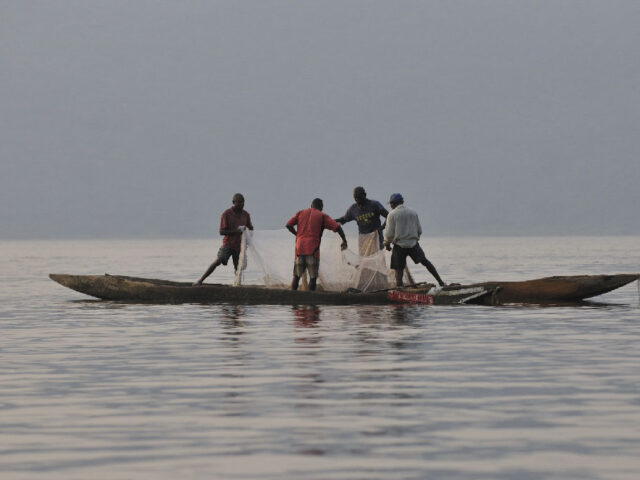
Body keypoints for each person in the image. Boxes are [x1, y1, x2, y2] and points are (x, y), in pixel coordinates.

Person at [383, 193, 446, 288]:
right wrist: (414, 239)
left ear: (394, 203)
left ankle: (399, 288)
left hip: (399, 245)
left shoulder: (392, 214)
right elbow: (419, 230)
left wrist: (387, 244)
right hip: (413, 244)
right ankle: (441, 282)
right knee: (425, 262)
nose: (391, 206)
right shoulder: (412, 212)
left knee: (399, 269)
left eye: (391, 204)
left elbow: (389, 233)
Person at [286, 198, 348, 291]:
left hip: (299, 249)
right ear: (321, 207)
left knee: (296, 276)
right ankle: (311, 302)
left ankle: (292, 300)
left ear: (311, 206)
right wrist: (344, 240)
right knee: (313, 277)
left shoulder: (301, 213)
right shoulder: (322, 216)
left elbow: (288, 225)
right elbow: (338, 227)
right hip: (313, 250)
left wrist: (297, 235)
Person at [194, 193, 253, 285]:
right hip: (228, 244)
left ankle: (237, 285)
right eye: (239, 203)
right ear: (234, 202)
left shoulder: (246, 215)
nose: (241, 205)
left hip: (239, 246)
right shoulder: (226, 214)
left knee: (239, 268)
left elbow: (251, 228)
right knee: (219, 260)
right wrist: (236, 231)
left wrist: (248, 233)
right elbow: (221, 232)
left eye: (243, 203)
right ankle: (200, 281)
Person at [335, 186, 389, 254]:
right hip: (363, 240)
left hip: (376, 238)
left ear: (364, 195)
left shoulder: (374, 204)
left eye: (359, 197)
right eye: (355, 198)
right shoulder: (353, 209)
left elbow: (389, 216)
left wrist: (381, 228)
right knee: (364, 262)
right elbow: (344, 219)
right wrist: (331, 221)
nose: (357, 199)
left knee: (377, 260)